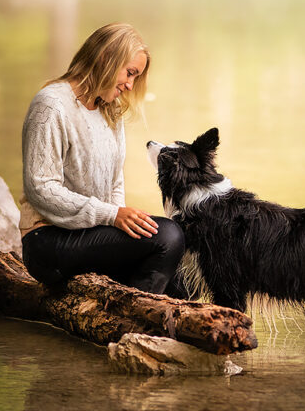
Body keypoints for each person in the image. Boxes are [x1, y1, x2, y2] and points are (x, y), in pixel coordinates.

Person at [19, 22, 185, 295]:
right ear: (107, 58)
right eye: (130, 73)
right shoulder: (51, 105)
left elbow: (114, 183)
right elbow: (41, 190)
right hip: (47, 241)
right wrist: (113, 216)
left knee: (183, 281)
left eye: (136, 77)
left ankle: (135, 311)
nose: (130, 85)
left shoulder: (110, 112)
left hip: (90, 235)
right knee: (169, 236)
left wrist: (122, 235)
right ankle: (133, 318)